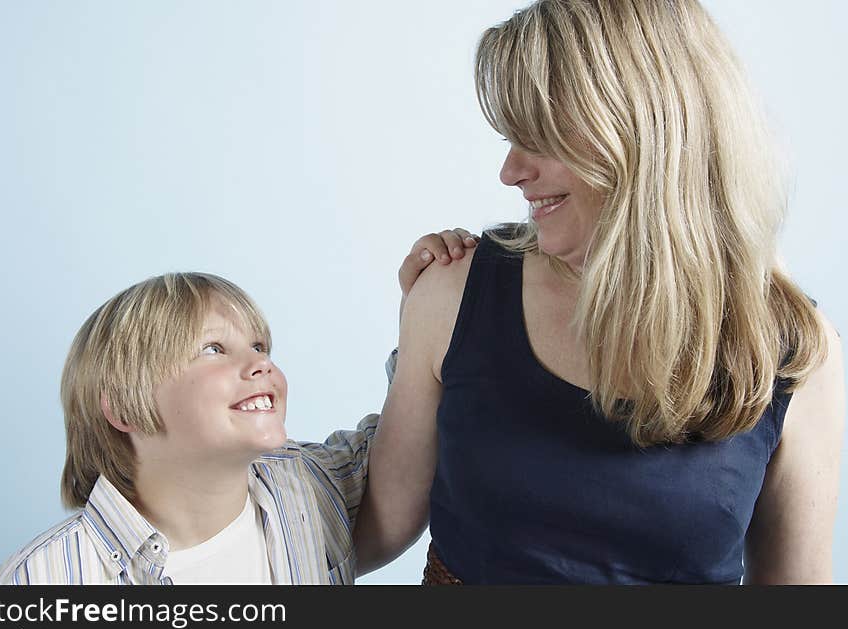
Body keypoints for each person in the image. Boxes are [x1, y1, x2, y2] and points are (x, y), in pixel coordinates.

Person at [355, 0, 845, 584]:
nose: (509, 172)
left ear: (642, 133)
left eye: (538, 137)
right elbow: (371, 534)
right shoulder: (453, 292)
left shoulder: (794, 353)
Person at [0, 248, 475, 585]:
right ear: (121, 406)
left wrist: (422, 322)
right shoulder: (46, 579)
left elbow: (401, 452)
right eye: (214, 348)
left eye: (260, 346)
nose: (261, 362)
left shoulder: (307, 485)